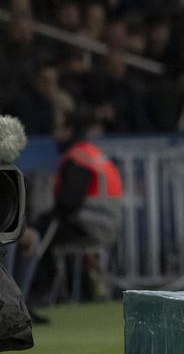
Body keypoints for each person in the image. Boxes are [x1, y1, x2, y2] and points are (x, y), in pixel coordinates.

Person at [12, 107, 123, 316]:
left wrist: (42, 218)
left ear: (69, 131)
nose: (55, 135)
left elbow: (68, 204)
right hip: (105, 223)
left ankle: (34, 296)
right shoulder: (89, 154)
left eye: (59, 129)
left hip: (87, 223)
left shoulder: (76, 159)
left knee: (35, 236)